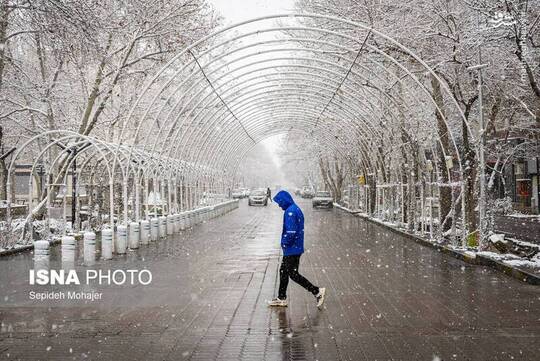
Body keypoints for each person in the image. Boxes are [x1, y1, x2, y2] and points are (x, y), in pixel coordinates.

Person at [268, 190, 326, 309]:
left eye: (280, 202)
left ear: (285, 201)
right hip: (295, 248)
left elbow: (291, 231)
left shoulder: (290, 212)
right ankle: (281, 298)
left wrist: (284, 243)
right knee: (284, 271)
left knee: (293, 274)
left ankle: (317, 291)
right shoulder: (294, 209)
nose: (279, 205)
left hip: (292, 249)